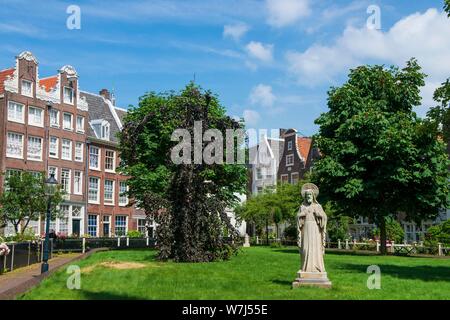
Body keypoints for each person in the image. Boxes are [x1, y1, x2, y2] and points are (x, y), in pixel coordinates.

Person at [297, 183, 327, 273]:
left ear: (313, 196)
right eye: (307, 195)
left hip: (315, 230)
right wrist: (301, 215)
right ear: (305, 197)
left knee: (316, 248)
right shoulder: (302, 207)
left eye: (310, 195)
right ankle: (305, 268)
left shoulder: (318, 206)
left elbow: (325, 218)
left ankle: (317, 267)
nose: (308, 196)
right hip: (306, 230)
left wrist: (319, 215)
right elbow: (297, 217)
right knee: (305, 249)